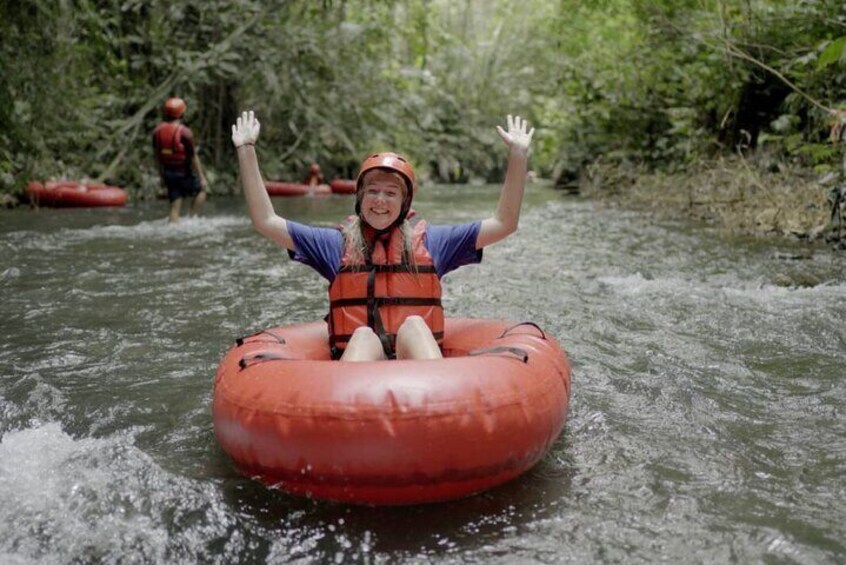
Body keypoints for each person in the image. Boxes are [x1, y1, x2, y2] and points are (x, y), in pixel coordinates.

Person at [231, 110, 534, 361]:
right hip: (360, 367)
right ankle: (349, 413)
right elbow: (266, 221)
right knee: (364, 335)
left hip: (418, 364)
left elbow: (503, 223)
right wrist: (246, 150)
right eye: (372, 191)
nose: (380, 200)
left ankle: (435, 402)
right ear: (360, 198)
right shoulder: (334, 245)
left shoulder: (433, 243)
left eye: (391, 193)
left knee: (415, 325)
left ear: (404, 204)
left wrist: (518, 156)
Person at [153, 97, 208, 223]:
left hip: (168, 173)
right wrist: (202, 178)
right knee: (201, 190)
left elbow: (157, 157)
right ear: (182, 113)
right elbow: (193, 156)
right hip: (183, 172)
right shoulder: (185, 132)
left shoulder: (157, 132)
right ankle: (192, 219)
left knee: (175, 205)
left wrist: (161, 176)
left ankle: (174, 226)